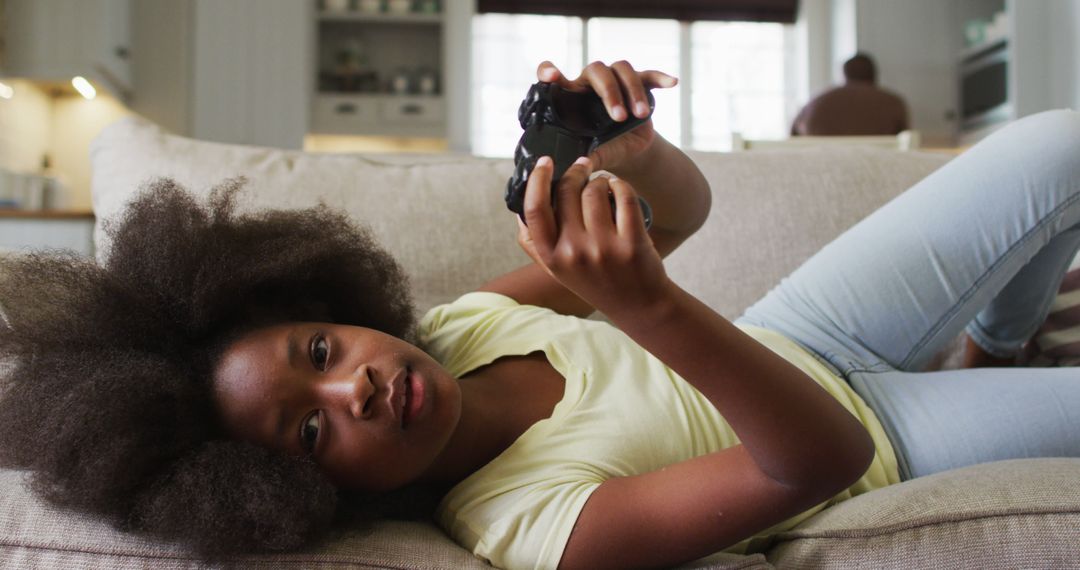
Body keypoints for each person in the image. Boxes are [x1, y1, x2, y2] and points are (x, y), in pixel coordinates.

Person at [0, 59, 1078, 570]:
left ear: (322, 306)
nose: (356, 386)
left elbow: (682, 216)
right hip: (879, 438)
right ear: (293, 490)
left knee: (1053, 147)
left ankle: (986, 343)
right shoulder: (521, 526)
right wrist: (646, 309)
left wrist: (634, 155)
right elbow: (819, 461)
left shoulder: (459, 326)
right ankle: (979, 369)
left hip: (802, 329)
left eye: (318, 352)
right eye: (313, 427)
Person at [791, 52, 910, 136]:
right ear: (874, 74)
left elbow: (794, 136)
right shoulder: (894, 103)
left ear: (844, 74)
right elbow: (905, 140)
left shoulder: (816, 102)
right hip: (876, 166)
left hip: (823, 164)